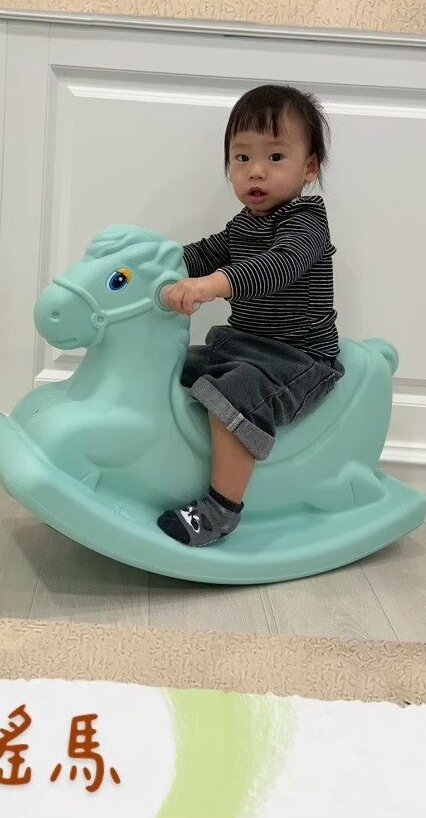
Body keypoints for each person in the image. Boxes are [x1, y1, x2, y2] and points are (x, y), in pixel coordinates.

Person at [156, 84, 343, 548]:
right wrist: (155, 261)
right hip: (244, 344)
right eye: (242, 158)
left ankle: (222, 509)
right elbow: (205, 253)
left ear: (310, 167)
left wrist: (212, 285)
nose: (255, 170)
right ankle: (157, 466)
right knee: (172, 364)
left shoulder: (306, 222)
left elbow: (278, 265)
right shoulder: (245, 222)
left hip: (298, 358)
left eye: (275, 157)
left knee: (236, 392)